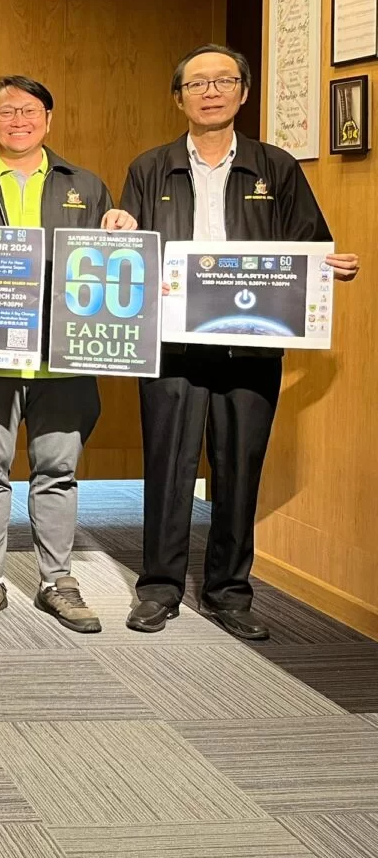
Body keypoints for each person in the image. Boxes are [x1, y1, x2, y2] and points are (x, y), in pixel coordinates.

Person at [120, 45, 360, 639]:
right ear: (178, 97)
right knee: (168, 466)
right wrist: (118, 230)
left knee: (238, 468)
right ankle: (159, 588)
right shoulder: (149, 168)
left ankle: (229, 593)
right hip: (172, 346)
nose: (210, 91)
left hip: (252, 346)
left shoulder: (275, 166)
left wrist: (331, 267)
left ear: (243, 93)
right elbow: (130, 251)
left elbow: (310, 245)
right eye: (196, 83)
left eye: (223, 80)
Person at [0, 75, 138, 633]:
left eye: (29, 110)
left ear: (48, 118)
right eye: (5, 112)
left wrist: (121, 228)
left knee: (58, 470)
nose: (18, 119)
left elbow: (110, 265)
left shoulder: (87, 185)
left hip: (63, 357)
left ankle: (57, 580)